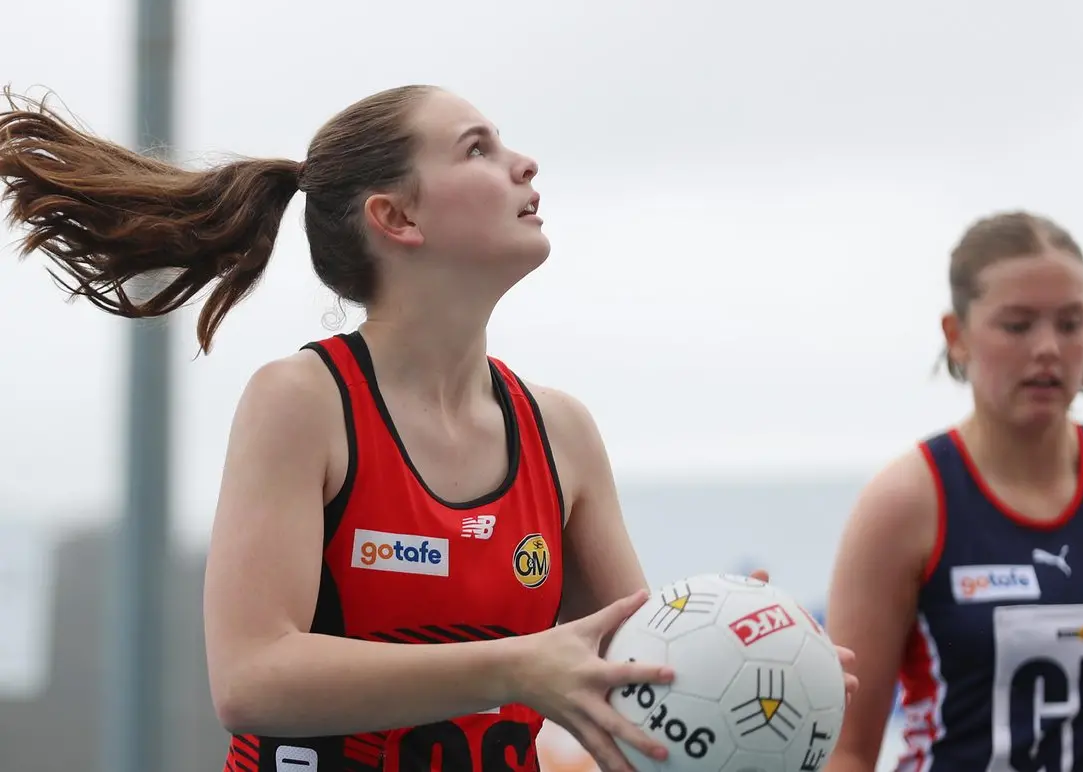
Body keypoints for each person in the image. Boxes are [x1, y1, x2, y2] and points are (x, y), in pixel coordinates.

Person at [0, 86, 854, 772]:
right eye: (478, 148)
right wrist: (516, 666)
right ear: (397, 219)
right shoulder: (305, 400)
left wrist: (755, 660)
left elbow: (625, 684)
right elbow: (253, 679)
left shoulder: (562, 431)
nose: (525, 163)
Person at [823, 210, 1083, 772]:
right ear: (957, 335)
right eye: (1018, 325)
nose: (1049, 347)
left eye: (1071, 323)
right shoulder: (905, 503)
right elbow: (846, 749)